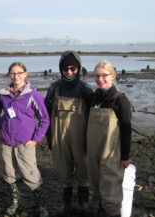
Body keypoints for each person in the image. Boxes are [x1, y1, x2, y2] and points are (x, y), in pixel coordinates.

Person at [0, 62, 50, 217]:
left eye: (19, 73)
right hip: (6, 142)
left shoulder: (33, 95)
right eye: (12, 73)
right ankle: (15, 202)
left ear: (25, 74)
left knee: (31, 175)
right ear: (9, 75)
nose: (16, 76)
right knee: (9, 173)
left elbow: (44, 119)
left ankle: (41, 205)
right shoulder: (3, 94)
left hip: (26, 143)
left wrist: (36, 139)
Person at [45, 51, 93, 215]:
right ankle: (66, 204)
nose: (69, 72)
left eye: (73, 68)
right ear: (61, 69)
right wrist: (49, 138)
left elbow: (95, 115)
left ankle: (83, 203)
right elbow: (46, 114)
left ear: (78, 69)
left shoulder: (85, 89)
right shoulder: (54, 88)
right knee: (63, 168)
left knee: (83, 168)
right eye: (65, 68)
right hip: (59, 136)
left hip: (81, 138)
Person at [86, 60, 132, 217]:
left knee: (111, 189)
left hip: (111, 153)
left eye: (104, 75)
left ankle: (111, 213)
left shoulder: (120, 100)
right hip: (93, 152)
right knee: (96, 184)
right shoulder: (94, 98)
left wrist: (125, 157)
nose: (100, 79)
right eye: (97, 76)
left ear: (113, 76)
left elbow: (126, 130)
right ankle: (101, 209)